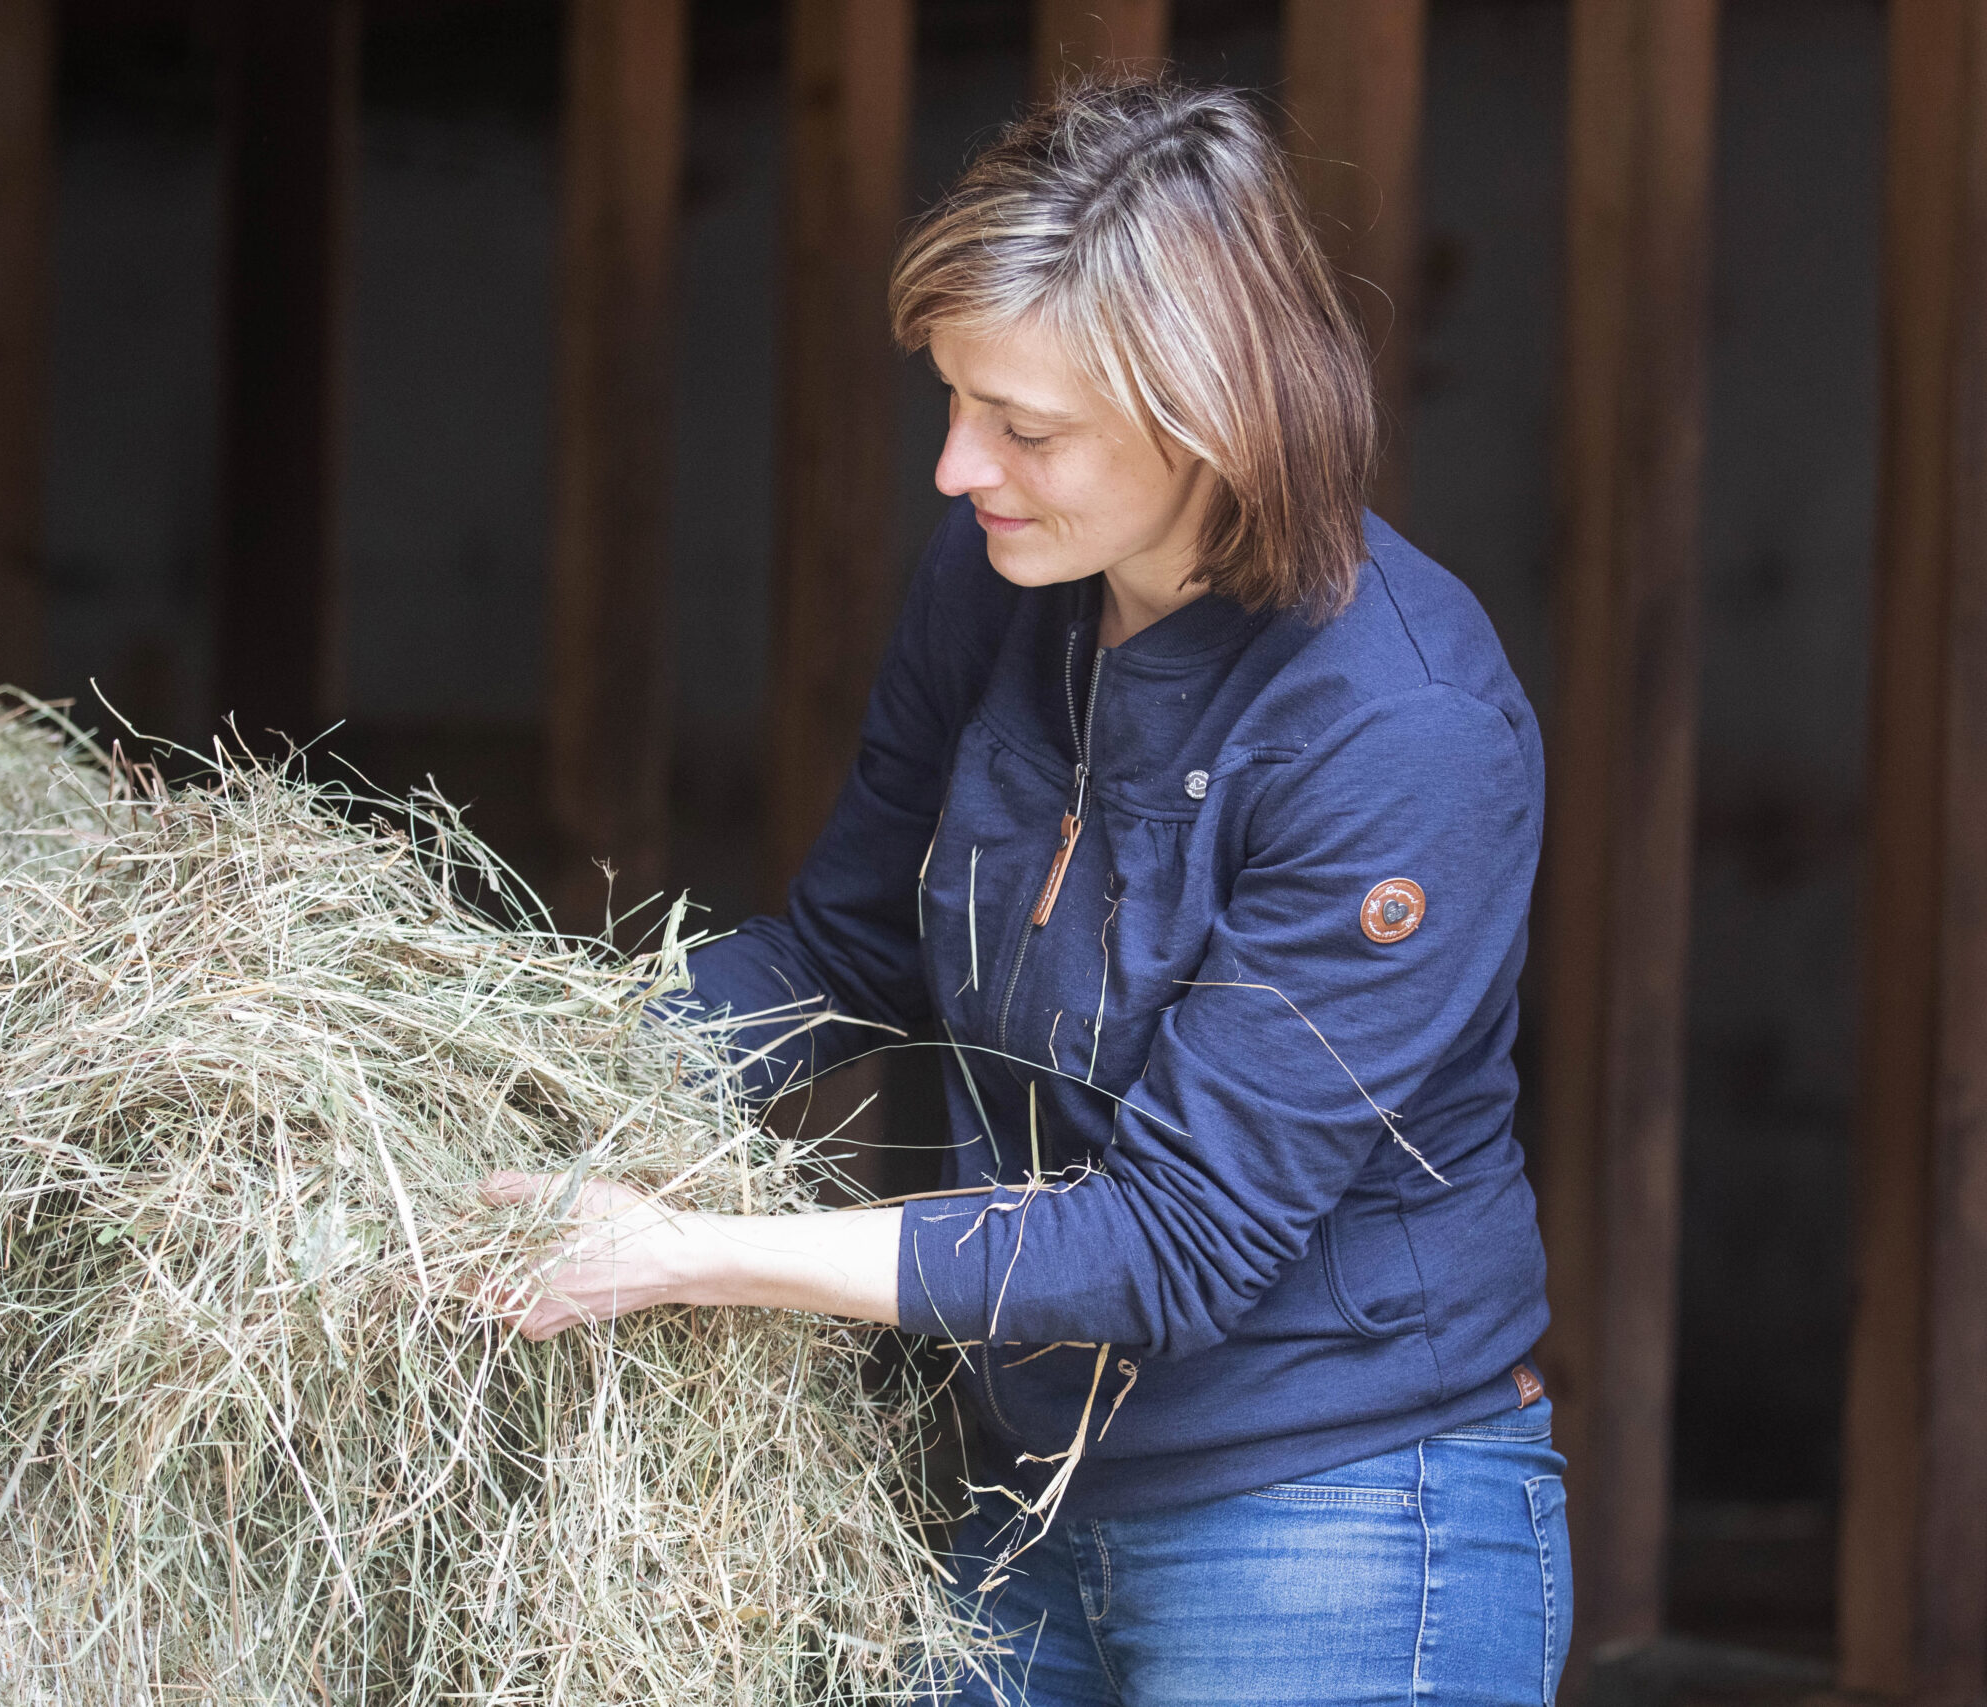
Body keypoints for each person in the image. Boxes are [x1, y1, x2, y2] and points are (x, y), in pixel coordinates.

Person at [484, 77, 1571, 1707]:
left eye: (1025, 429)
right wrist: (504, 1084)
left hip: (1334, 1513)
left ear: (1211, 415)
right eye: (957, 403)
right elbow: (848, 954)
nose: (954, 467)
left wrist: (686, 1249)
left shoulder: (1399, 730)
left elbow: (1177, 1244)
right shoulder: (1007, 581)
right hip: (1020, 1497)